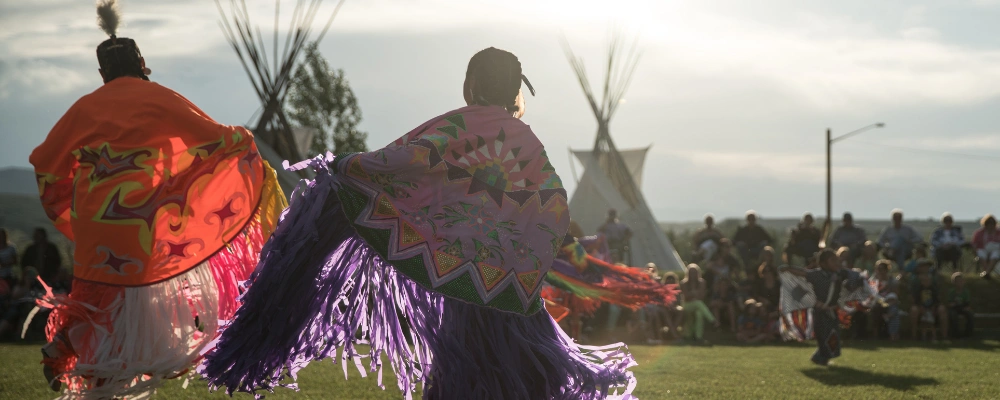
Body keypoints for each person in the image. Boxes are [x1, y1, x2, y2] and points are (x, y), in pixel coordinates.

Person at [202, 47, 637, 399]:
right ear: (513, 90)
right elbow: (555, 207)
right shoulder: (527, 143)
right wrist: (515, 248)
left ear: (471, 85)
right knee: (520, 381)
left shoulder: (460, 125)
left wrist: (347, 166)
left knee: (464, 374)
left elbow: (406, 162)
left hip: (470, 290)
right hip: (511, 294)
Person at [28, 3, 287, 397]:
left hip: (98, 222)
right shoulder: (161, 99)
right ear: (143, 62)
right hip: (141, 220)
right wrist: (244, 140)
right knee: (128, 307)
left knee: (99, 295)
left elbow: (44, 162)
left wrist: (70, 207)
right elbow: (216, 139)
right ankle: (97, 370)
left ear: (102, 74)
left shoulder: (83, 109)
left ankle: (68, 350)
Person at [781, 249, 862, 366]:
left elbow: (853, 276)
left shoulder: (840, 274)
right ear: (823, 264)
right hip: (820, 311)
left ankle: (821, 357)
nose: (836, 263)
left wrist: (860, 277)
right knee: (824, 335)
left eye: (837, 260)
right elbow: (802, 273)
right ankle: (821, 358)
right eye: (832, 260)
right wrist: (787, 269)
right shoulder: (816, 274)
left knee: (833, 334)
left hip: (832, 311)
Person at [681, 264, 716, 344]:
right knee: (698, 303)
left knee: (699, 313)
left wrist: (693, 294)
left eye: (694, 272)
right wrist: (694, 293)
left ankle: (697, 337)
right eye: (691, 272)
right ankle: (712, 320)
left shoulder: (702, 282)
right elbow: (686, 297)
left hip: (697, 305)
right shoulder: (684, 283)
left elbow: (702, 296)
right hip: (687, 305)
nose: (692, 274)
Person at [910, 272, 948, 340]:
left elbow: (937, 300)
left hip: (932, 308)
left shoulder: (934, 289)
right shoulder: (918, 289)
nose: (926, 282)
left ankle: (944, 336)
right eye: (924, 281)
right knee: (916, 312)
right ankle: (914, 336)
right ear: (921, 282)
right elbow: (916, 300)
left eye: (928, 280)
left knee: (941, 310)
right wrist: (921, 307)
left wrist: (933, 307)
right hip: (921, 308)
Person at [868, 260, 899, 339]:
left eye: (881, 269)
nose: (879, 271)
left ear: (886, 270)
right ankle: (875, 335)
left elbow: (895, 296)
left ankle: (892, 336)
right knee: (875, 308)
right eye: (877, 269)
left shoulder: (892, 281)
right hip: (877, 302)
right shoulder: (873, 280)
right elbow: (871, 294)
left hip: (889, 303)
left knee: (893, 309)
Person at [947, 272, 974, 339]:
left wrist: (966, 308)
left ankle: (968, 334)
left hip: (963, 308)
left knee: (970, 314)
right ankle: (955, 334)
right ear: (954, 282)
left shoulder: (966, 292)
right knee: (953, 315)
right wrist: (955, 304)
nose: (959, 283)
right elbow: (950, 304)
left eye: (961, 281)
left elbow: (967, 303)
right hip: (954, 309)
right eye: (957, 281)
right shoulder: (952, 292)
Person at [972, 214, 1000, 279]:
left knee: (995, 255)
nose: (990, 225)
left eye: (992, 223)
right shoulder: (979, 233)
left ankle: (986, 272)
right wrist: (974, 250)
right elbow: (974, 243)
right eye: (988, 223)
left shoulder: (999, 232)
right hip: (982, 249)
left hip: (996, 250)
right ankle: (987, 272)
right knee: (981, 253)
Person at [661, 272, 684, 340]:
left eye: (672, 279)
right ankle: (674, 334)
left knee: (681, 310)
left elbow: (679, 302)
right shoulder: (662, 289)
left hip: (675, 307)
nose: (670, 281)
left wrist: (674, 306)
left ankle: (671, 332)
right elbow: (661, 301)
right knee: (665, 312)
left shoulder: (677, 290)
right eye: (669, 279)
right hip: (665, 308)